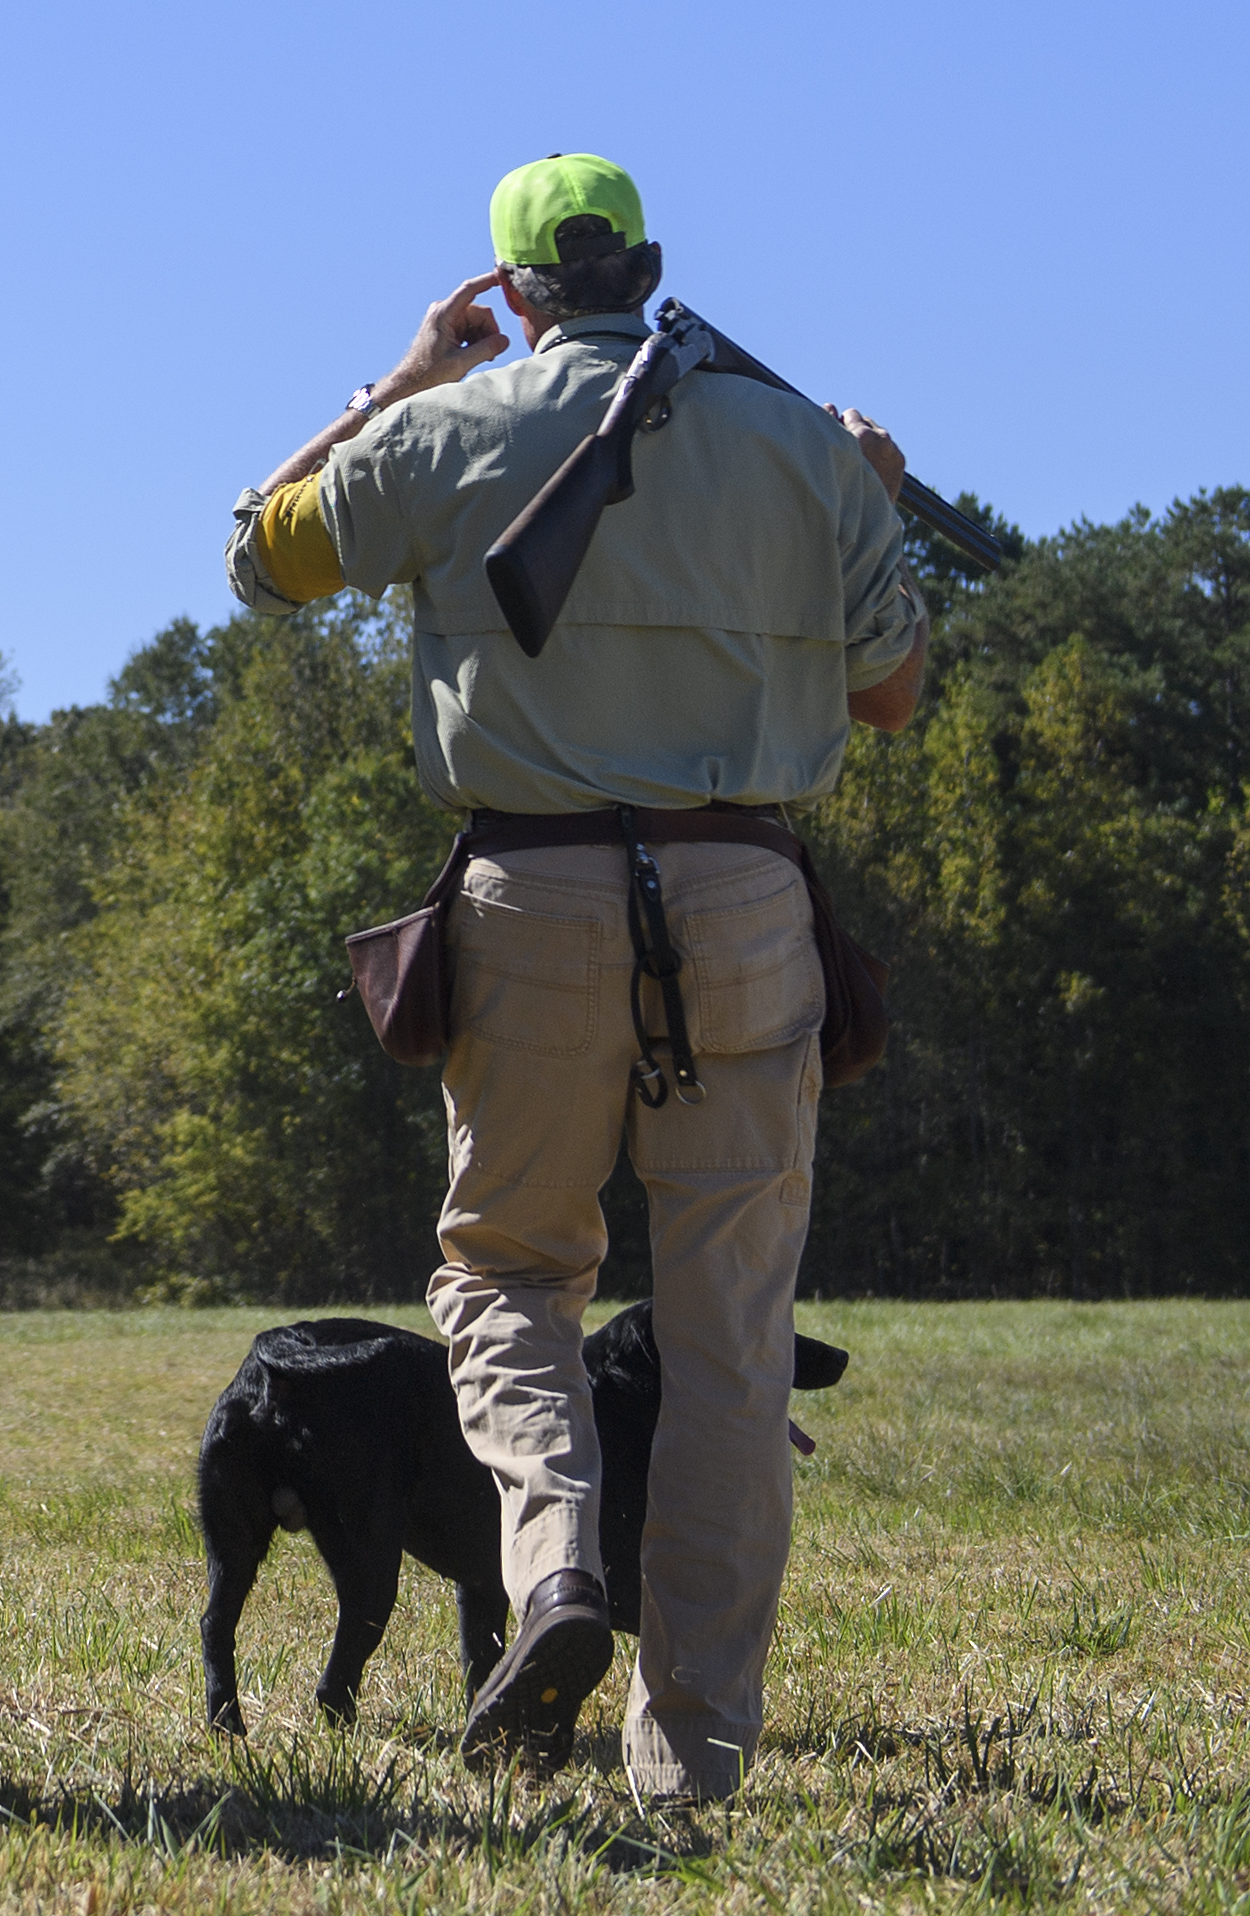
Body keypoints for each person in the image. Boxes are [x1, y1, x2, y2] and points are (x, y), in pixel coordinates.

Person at [221, 155, 926, 1808]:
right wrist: (873, 491)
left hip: (525, 890)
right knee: (733, 1342)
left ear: (517, 292)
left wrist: (394, 388)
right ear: (654, 265)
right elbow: (892, 695)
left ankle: (552, 1578)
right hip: (749, 897)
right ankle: (691, 1765)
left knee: (507, 1278)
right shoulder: (800, 446)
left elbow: (262, 563)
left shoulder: (444, 431)